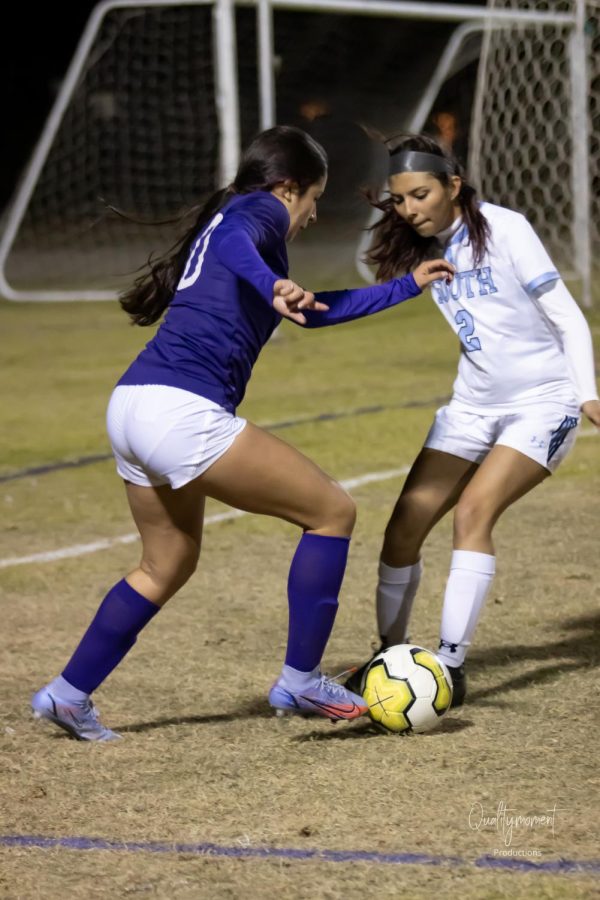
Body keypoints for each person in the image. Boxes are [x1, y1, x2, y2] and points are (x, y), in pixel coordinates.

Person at [31, 126, 454, 741]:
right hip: (181, 411)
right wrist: (269, 283)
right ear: (287, 188)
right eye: (313, 198)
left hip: (132, 403)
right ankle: (302, 679)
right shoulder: (251, 214)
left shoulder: (249, 233)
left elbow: (315, 310)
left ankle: (68, 695)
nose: (311, 214)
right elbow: (237, 242)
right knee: (332, 511)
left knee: (166, 561)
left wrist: (405, 286)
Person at [347, 133, 600, 706]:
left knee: (474, 511)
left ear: (453, 185)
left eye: (421, 194)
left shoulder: (506, 228)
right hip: (470, 406)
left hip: (543, 402)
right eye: (401, 199)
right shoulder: (419, 244)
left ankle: (451, 664)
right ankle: (390, 657)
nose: (410, 209)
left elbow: (567, 317)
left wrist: (587, 395)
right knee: (402, 530)